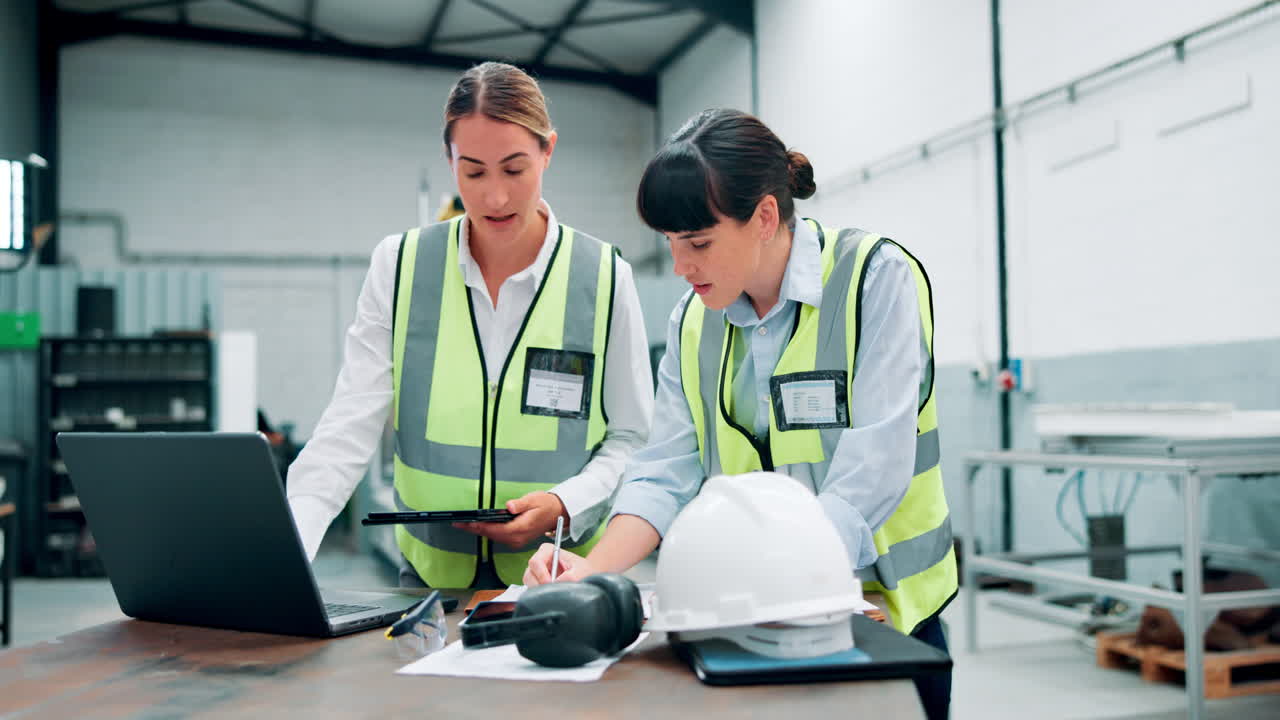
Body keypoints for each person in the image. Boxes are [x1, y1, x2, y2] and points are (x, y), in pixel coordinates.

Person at [524, 109, 956, 718]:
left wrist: (784, 578)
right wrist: (590, 574)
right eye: (671, 244)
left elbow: (872, 473)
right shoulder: (693, 320)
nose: (681, 266)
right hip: (751, 616)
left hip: (885, 616)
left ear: (765, 217)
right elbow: (664, 472)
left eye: (698, 243)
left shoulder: (874, 280)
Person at [286, 62, 653, 590]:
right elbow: (349, 424)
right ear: (450, 160)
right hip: (429, 583)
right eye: (474, 171)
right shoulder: (401, 265)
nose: (495, 197)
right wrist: (289, 548)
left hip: (558, 577)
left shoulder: (604, 277)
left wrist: (563, 502)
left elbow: (632, 438)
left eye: (515, 168)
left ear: (548, 151)